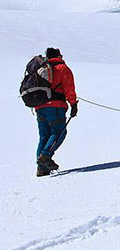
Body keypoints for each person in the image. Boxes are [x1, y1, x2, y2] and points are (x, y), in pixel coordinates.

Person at [35, 48, 78, 177]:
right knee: (59, 132)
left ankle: (42, 169)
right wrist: (73, 104)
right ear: (58, 55)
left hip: (39, 106)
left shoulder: (41, 69)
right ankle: (45, 156)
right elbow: (69, 88)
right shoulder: (62, 68)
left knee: (44, 135)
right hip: (56, 106)